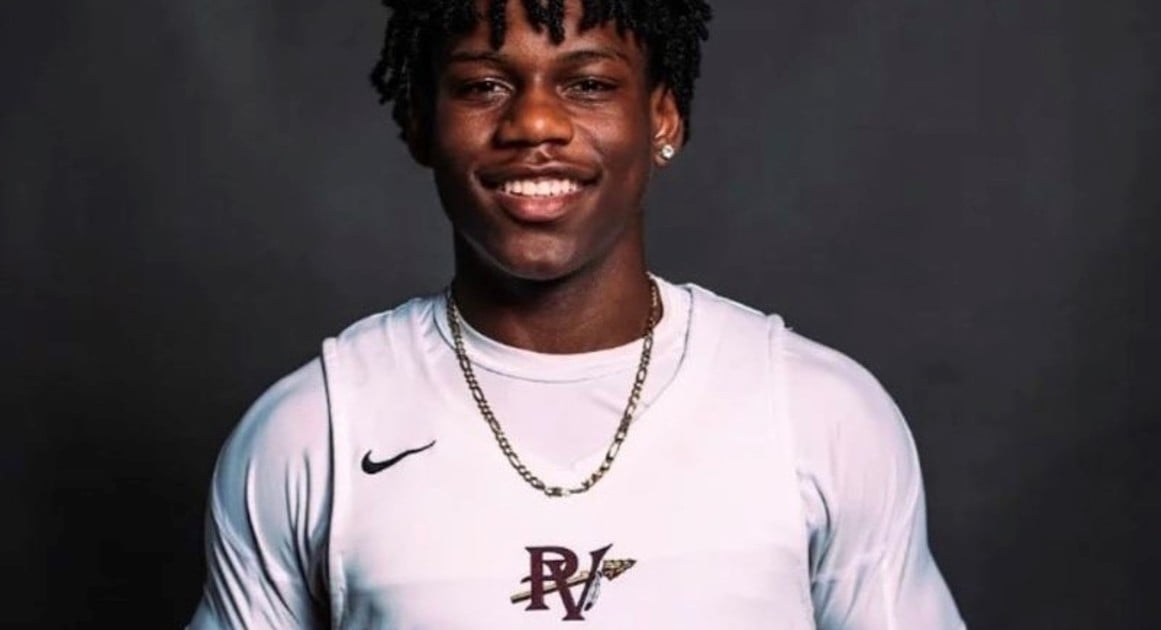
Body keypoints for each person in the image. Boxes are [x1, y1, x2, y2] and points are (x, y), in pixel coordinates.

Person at [189, 0, 966, 627]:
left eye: (588, 83)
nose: (534, 123)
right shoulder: (314, 429)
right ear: (422, 123)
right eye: (483, 86)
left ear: (662, 119)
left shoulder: (818, 413)